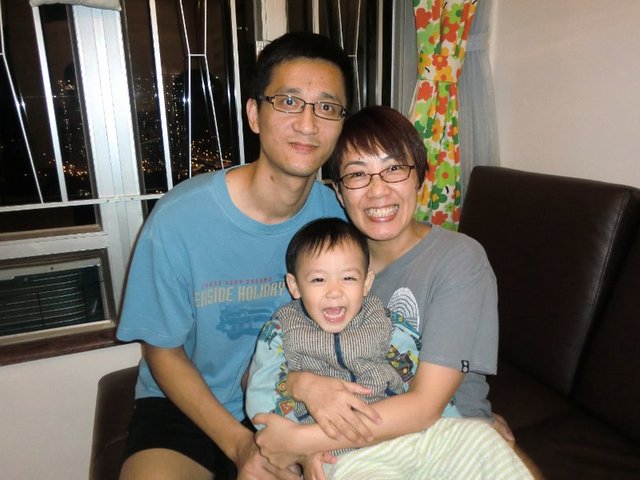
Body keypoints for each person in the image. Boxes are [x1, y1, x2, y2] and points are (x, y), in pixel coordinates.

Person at [115, 31, 353, 480]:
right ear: (254, 115)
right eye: (288, 102)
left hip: (291, 402)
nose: (308, 124)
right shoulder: (179, 219)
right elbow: (162, 350)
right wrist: (240, 444)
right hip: (184, 406)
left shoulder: (337, 220)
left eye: (327, 107)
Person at [251, 106, 532, 479]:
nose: (378, 190)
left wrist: (303, 441)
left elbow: (425, 407)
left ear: (420, 178)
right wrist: (303, 386)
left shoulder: (458, 259)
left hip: (447, 442)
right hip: (356, 452)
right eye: (357, 174)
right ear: (339, 192)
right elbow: (268, 359)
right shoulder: (330, 268)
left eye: (395, 168)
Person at [246, 217, 463, 439]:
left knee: (475, 437)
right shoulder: (282, 330)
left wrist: (452, 428)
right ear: (295, 286)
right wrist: (294, 443)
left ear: (366, 283)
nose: (334, 291)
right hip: (323, 441)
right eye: (319, 280)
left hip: (392, 432)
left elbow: (415, 373)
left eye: (348, 278)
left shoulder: (384, 322)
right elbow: (263, 390)